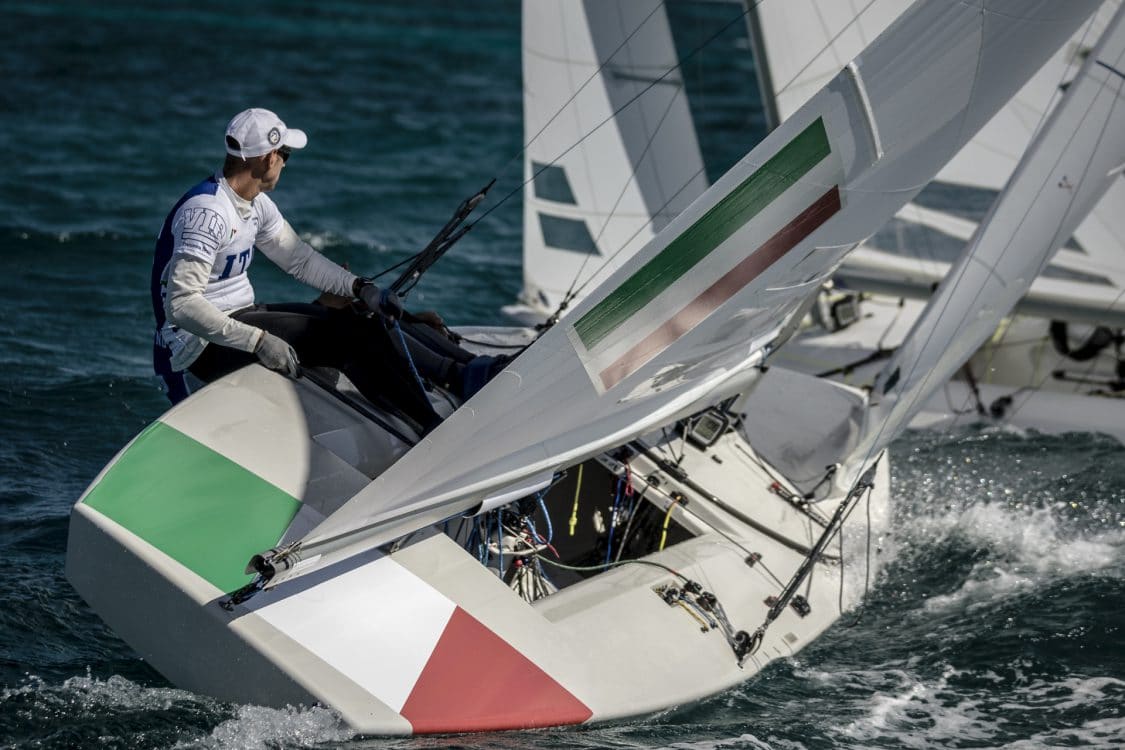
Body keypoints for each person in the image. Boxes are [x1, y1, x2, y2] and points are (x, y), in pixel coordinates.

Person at [150, 107, 481, 434]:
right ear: (269, 158)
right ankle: (433, 430)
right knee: (349, 339)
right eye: (286, 155)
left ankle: (463, 372)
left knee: (361, 315)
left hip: (240, 317)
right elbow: (181, 305)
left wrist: (359, 287)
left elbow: (300, 259)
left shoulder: (255, 204)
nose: (285, 163)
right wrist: (259, 341)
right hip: (200, 348)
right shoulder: (209, 214)